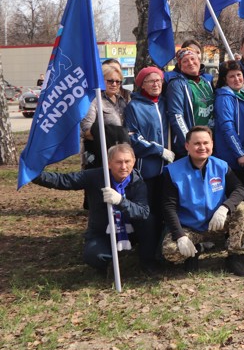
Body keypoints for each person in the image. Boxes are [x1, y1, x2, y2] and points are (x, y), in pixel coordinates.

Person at [31, 144, 157, 276]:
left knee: (149, 221)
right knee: (94, 256)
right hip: (102, 231)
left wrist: (120, 201)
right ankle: (109, 264)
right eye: (119, 162)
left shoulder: (138, 182)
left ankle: (147, 262)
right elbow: (64, 180)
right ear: (109, 164)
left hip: (132, 230)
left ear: (134, 162)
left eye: (127, 161)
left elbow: (143, 212)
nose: (124, 167)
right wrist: (34, 175)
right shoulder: (94, 176)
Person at [160, 126, 244, 276]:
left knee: (241, 208)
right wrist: (180, 235)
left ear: (212, 144)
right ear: (187, 146)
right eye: (197, 144)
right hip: (191, 228)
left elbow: (240, 189)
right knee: (170, 251)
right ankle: (194, 251)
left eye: (206, 143)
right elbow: (168, 207)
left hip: (217, 224)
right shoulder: (173, 171)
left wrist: (224, 208)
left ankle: (234, 256)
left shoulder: (221, 166)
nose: (202, 147)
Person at [125, 66, 172, 222]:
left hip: (168, 168)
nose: (155, 84)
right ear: (142, 85)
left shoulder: (166, 103)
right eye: (150, 81)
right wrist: (158, 149)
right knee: (149, 208)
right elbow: (133, 137)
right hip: (147, 168)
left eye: (158, 80)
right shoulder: (134, 106)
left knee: (166, 206)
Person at [81, 61, 131, 170]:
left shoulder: (123, 100)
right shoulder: (93, 100)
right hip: (99, 157)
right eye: (110, 81)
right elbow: (87, 131)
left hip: (121, 157)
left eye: (118, 82)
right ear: (102, 80)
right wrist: (115, 133)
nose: (114, 84)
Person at [166, 48, 215, 158]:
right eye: (185, 61)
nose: (190, 63)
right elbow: (177, 116)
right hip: (190, 147)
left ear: (199, 60)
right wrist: (189, 143)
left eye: (193, 59)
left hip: (208, 143)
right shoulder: (177, 85)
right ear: (180, 66)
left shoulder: (206, 82)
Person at [213, 60, 244, 181]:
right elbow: (227, 128)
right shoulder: (224, 98)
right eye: (231, 76)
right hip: (231, 157)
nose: (236, 79)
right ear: (225, 79)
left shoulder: (243, 96)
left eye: (239, 75)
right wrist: (239, 153)